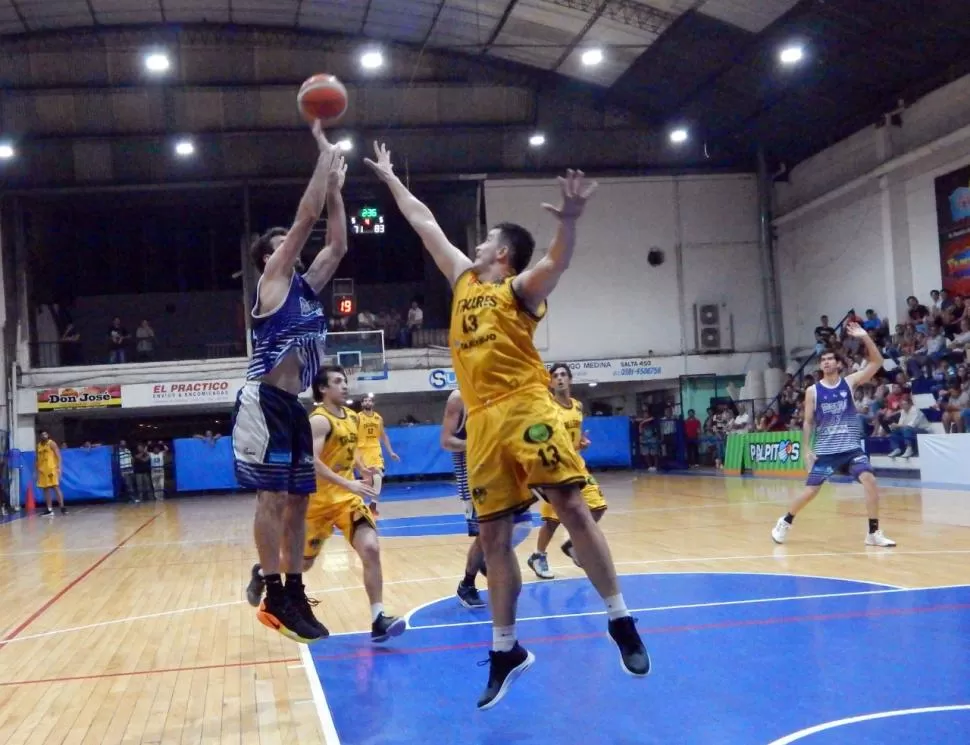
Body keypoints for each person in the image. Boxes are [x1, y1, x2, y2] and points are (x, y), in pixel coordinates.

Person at [366, 143, 648, 710]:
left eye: (485, 238)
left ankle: (619, 618)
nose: (473, 243)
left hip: (526, 406)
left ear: (502, 253)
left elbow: (557, 263)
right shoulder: (463, 281)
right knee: (492, 537)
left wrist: (568, 223)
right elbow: (423, 223)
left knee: (569, 505)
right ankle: (506, 650)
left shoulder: (517, 290)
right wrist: (393, 180)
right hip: (485, 421)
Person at [233, 122, 349, 644]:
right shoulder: (271, 283)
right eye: (280, 245)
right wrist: (323, 165)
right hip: (264, 400)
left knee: (300, 500)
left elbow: (337, 244)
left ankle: (293, 589)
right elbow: (306, 220)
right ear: (267, 257)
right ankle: (274, 588)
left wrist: (339, 193)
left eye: (290, 245)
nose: (291, 247)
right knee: (272, 500)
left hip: (295, 405)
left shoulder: (306, 287)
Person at [248, 366, 404, 642]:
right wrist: (349, 483)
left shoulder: (354, 418)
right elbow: (313, 461)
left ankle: (378, 617)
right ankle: (262, 571)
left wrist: (362, 468)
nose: (344, 386)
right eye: (337, 381)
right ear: (323, 388)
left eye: (345, 381)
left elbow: (350, 449)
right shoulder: (318, 421)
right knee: (302, 565)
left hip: (346, 500)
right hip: (315, 504)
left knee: (370, 547)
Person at [771, 322, 896, 547]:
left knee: (869, 480)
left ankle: (873, 533)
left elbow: (877, 362)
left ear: (838, 364)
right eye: (823, 360)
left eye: (830, 359)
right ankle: (785, 520)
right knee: (811, 492)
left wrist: (865, 337)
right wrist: (806, 450)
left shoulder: (849, 383)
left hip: (850, 449)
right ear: (821, 365)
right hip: (827, 452)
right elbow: (808, 422)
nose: (826, 362)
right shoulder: (813, 391)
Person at [526, 363, 607, 579]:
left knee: (598, 507)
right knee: (552, 521)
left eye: (563, 375)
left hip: (577, 465)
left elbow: (574, 435)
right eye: (555, 376)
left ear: (570, 379)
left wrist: (581, 442)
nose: (560, 378)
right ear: (550, 382)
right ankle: (538, 556)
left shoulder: (578, 406)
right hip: (555, 468)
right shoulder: (547, 407)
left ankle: (572, 545)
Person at [440, 388, 487, 609]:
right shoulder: (459, 397)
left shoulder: (498, 392)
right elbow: (446, 441)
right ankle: (467, 584)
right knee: (486, 534)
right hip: (474, 478)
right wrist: (479, 445)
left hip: (501, 472)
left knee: (522, 525)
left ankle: (486, 559)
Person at [355, 394, 400, 517]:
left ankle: (373, 505)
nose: (368, 402)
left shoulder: (378, 418)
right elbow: (352, 434)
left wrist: (391, 452)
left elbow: (384, 436)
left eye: (370, 400)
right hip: (361, 450)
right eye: (365, 400)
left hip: (375, 449)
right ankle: (358, 504)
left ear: (372, 403)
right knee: (368, 481)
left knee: (378, 477)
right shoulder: (358, 418)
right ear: (362, 404)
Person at [36, 430, 66, 516]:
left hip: (51, 469)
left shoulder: (51, 443)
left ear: (48, 435)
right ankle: (49, 509)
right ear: (40, 436)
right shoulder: (38, 446)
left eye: (45, 434)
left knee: (55, 487)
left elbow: (58, 456)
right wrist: (36, 471)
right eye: (42, 434)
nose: (44, 436)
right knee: (45, 489)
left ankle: (62, 507)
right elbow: (37, 459)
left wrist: (59, 468)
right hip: (42, 470)